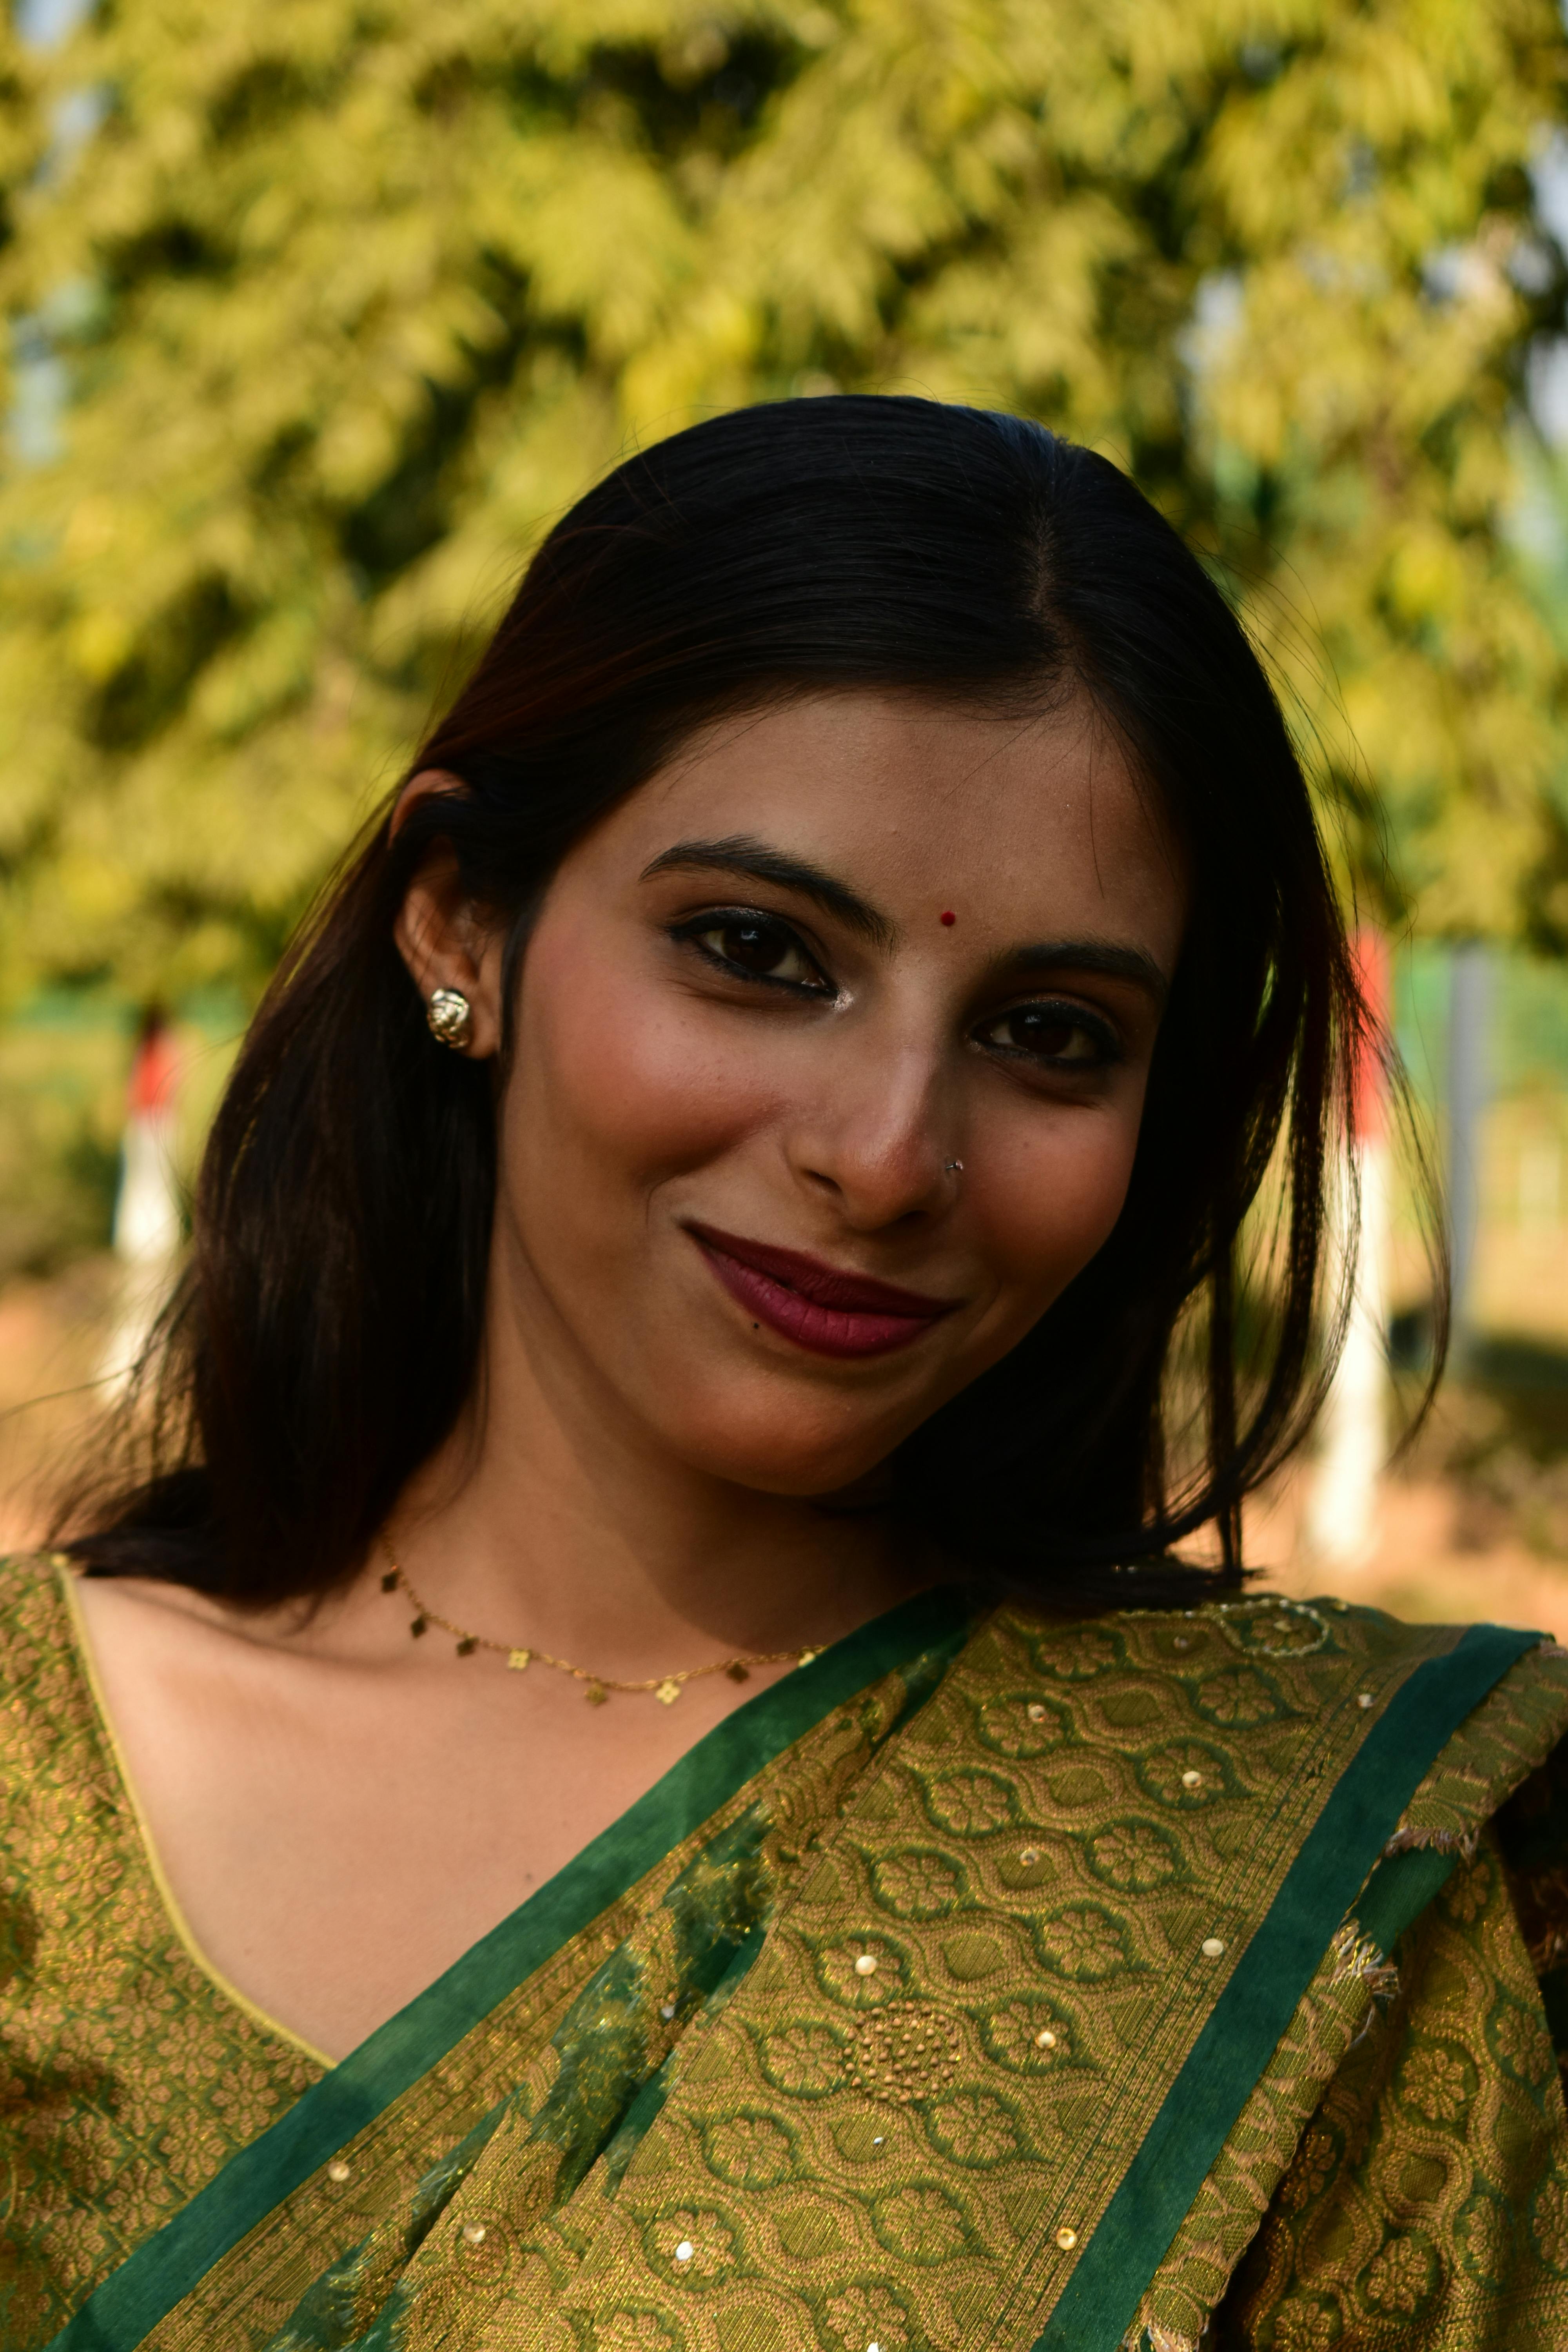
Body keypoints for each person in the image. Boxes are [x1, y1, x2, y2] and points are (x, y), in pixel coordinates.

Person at [4, 397, 1565, 2352]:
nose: (892, 1151)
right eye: (756, 949)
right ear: (461, 915)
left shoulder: (1298, 1888)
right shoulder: (27, 1802)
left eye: (1052, 1035)